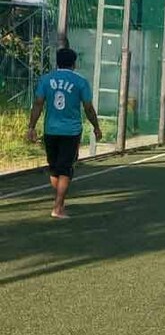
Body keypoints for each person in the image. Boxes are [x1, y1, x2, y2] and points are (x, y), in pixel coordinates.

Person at [25, 48, 102, 219]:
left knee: (54, 169)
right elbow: (88, 108)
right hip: (71, 131)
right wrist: (96, 126)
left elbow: (38, 103)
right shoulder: (80, 81)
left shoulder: (46, 79)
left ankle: (59, 201)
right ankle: (58, 207)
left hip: (50, 130)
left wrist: (31, 126)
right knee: (65, 169)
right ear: (74, 64)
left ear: (57, 62)